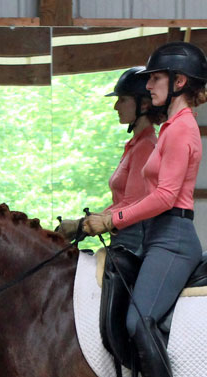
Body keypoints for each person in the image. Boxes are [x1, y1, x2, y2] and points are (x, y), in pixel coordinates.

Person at [83, 41, 207, 377]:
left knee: (141, 321)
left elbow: (166, 195)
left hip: (173, 237)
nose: (149, 84)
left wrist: (111, 220)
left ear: (179, 82)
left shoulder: (183, 128)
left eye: (155, 78)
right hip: (158, 235)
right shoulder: (173, 128)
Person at [58, 67, 162, 256]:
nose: (116, 106)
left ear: (144, 105)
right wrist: (86, 222)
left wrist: (81, 224)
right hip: (122, 234)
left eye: (122, 100)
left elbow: (132, 203)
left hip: (134, 239)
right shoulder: (135, 145)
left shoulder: (145, 147)